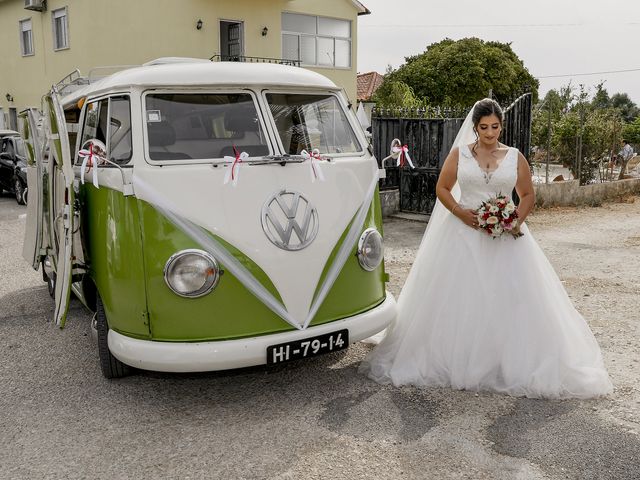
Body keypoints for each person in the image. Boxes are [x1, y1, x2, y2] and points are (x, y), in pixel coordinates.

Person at [360, 98, 613, 399]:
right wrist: (460, 212)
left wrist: (514, 219)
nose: (490, 133)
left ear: (501, 126)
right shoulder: (460, 155)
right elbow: (442, 188)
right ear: (475, 127)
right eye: (484, 127)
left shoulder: (515, 157)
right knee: (459, 299)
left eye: (495, 127)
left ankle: (506, 360)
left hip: (507, 238)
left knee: (512, 299)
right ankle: (456, 358)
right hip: (462, 235)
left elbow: (527, 194)